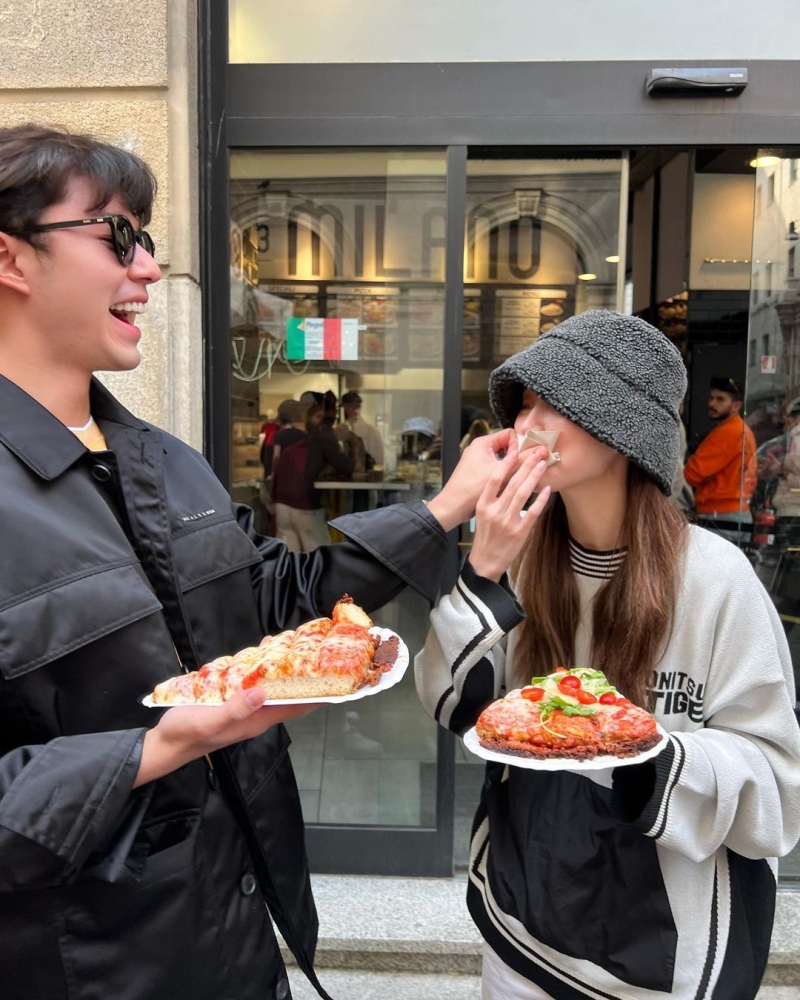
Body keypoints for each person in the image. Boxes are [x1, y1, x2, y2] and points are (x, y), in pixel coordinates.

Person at [0, 124, 509, 1000]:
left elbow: (280, 598)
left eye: (147, 239)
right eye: (117, 235)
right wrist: (157, 748)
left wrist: (445, 508)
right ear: (10, 257)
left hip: (241, 929)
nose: (149, 268)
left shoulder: (165, 461)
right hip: (88, 963)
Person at [415, 311, 800, 1000]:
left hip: (660, 959)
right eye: (523, 404)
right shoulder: (522, 559)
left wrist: (634, 749)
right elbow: (452, 706)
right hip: (521, 928)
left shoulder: (715, 578)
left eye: (553, 403)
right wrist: (483, 570)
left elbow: (777, 791)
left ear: (622, 433)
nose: (527, 425)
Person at [684, 376, 757, 541]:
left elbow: (691, 473)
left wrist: (705, 476)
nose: (712, 403)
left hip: (720, 515)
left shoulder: (727, 432)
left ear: (736, 406)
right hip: (736, 512)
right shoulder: (742, 430)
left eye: (720, 399)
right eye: (711, 398)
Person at [335, 390, 385, 470]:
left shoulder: (340, 430)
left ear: (346, 407)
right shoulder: (374, 431)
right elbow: (380, 460)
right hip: (371, 474)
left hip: (349, 474)